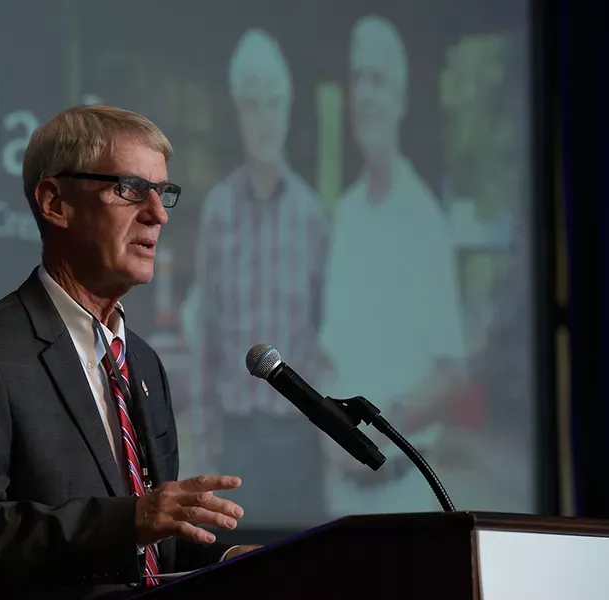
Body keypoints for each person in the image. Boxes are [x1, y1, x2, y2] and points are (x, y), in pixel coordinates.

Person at [0, 105, 259, 599]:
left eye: (163, 193)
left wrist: (226, 560)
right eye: (130, 189)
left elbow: (148, 547)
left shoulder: (145, 364)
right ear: (55, 202)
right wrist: (129, 520)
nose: (157, 213)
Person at [318, 15, 467, 516]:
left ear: (402, 100)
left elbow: (451, 374)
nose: (364, 93)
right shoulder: (348, 214)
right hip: (340, 500)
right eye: (357, 78)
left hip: (404, 494)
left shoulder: (425, 220)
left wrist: (379, 430)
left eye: (377, 79)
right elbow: (332, 351)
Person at [187, 28, 331, 528]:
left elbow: (326, 328)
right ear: (238, 111)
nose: (265, 117)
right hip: (237, 437)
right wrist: (206, 439)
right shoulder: (218, 211)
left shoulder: (313, 215)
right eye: (253, 104)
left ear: (288, 108)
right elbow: (205, 328)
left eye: (274, 103)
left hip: (299, 436)